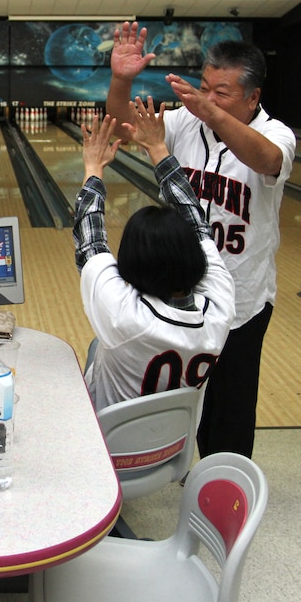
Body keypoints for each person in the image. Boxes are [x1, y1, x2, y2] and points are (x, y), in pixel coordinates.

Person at [106, 22, 296, 458]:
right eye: (204, 87)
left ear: (253, 97)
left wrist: (210, 112)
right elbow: (120, 129)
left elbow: (267, 160)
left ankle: (223, 487)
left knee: (230, 410)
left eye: (221, 92)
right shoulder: (181, 123)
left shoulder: (276, 134)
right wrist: (121, 80)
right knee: (175, 393)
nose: (207, 99)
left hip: (242, 301)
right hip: (178, 295)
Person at [75, 104, 235, 411]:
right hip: (174, 448)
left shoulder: (123, 316)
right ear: (191, 257)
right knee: (100, 345)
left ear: (131, 265)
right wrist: (159, 149)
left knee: (100, 345)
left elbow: (90, 241)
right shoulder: (220, 308)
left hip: (111, 451)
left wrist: (93, 167)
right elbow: (197, 221)